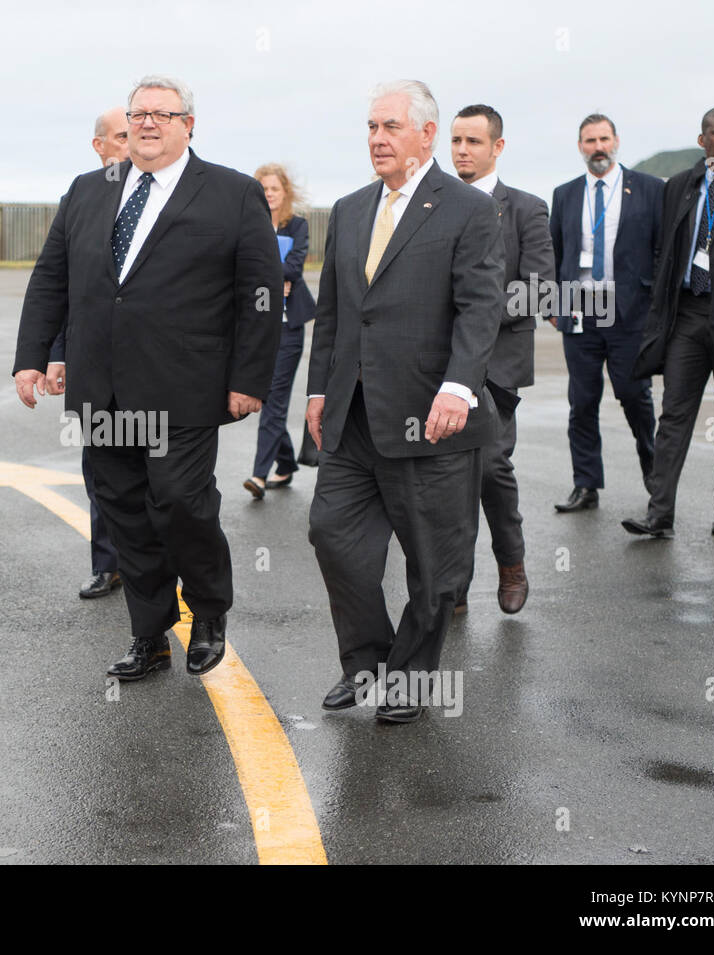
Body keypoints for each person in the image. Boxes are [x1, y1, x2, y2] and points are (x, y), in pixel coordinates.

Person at [13, 75, 281, 681]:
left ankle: (209, 610)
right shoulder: (88, 190)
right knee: (125, 511)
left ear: (190, 125)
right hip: (102, 386)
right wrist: (32, 355)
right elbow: (51, 277)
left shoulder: (232, 193)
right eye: (139, 114)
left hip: (185, 385)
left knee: (182, 503)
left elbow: (260, 293)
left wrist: (250, 379)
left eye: (164, 114)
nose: (149, 123)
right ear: (126, 124)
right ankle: (149, 633)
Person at [306, 80, 503, 723]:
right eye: (370, 127)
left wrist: (457, 386)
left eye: (390, 126)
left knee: (433, 565)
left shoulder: (468, 209)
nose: (377, 139)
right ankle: (365, 665)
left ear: (425, 133)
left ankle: (412, 680)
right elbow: (333, 314)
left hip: (432, 418)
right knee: (332, 536)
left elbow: (481, 307)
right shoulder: (350, 208)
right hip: (353, 416)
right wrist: (316, 390)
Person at [623, 107, 714, 538]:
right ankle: (658, 513)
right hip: (687, 315)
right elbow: (666, 246)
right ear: (703, 140)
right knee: (673, 417)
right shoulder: (683, 185)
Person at [450, 105, 554, 615]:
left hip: (497, 367)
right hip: (439, 364)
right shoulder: (436, 205)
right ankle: (453, 585)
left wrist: (476, 314)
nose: (462, 151)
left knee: (490, 466)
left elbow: (538, 288)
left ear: (497, 147)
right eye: (455, 141)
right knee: (445, 478)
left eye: (473, 141)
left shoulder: (527, 209)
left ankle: (511, 563)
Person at [548, 115, 663, 512]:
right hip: (580, 311)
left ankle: (655, 475)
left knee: (635, 396)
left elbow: (662, 250)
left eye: (603, 138)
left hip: (630, 312)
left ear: (616, 141)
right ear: (580, 146)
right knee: (582, 401)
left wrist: (658, 307)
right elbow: (554, 252)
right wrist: (551, 303)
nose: (597, 146)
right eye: (589, 140)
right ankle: (586, 484)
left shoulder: (648, 189)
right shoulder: (564, 194)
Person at [44, 107, 130, 598]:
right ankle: (108, 563)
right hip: (93, 364)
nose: (133, 142)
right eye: (121, 135)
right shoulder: (78, 198)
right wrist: (57, 354)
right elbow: (66, 288)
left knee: (159, 477)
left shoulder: (164, 198)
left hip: (150, 366)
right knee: (100, 469)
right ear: (99, 147)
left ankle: (161, 565)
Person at [243, 163, 316, 500]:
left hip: (288, 328)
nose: (269, 194)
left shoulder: (297, 226)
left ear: (285, 192)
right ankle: (285, 460)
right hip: (256, 328)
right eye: (264, 189)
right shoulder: (247, 224)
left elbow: (295, 269)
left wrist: (266, 273)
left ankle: (259, 475)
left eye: (274, 189)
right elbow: (240, 267)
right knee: (268, 399)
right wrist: (274, 278)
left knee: (273, 399)